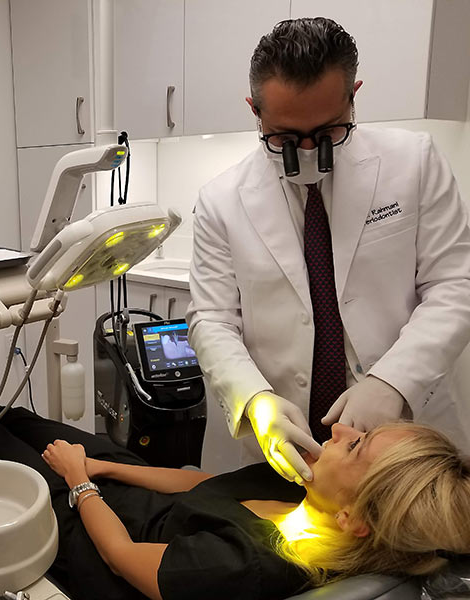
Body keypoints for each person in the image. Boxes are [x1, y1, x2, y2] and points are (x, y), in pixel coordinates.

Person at [0, 364, 470, 600]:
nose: (339, 428)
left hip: (103, 543)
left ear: (354, 519)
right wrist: (103, 465)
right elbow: (202, 484)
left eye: (357, 445)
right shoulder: (304, 487)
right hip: (126, 498)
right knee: (29, 422)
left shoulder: (249, 566)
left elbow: (121, 557)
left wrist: (79, 481)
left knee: (0, 454)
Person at [186, 17, 470, 484]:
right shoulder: (221, 200)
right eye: (283, 139)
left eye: (328, 134)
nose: (307, 154)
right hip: (282, 439)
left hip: (407, 435)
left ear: (353, 96)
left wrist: (394, 381)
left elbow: (455, 285)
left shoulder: (415, 163)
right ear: (254, 110)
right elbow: (211, 319)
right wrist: (255, 399)